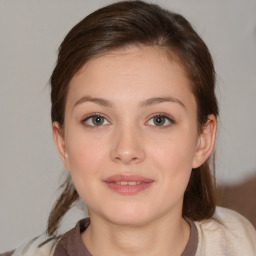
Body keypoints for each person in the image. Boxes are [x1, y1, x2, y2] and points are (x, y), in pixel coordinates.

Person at [2, 1, 256, 255]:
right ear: (63, 143)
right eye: (97, 119)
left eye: (159, 119)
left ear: (202, 140)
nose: (126, 150)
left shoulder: (244, 244)